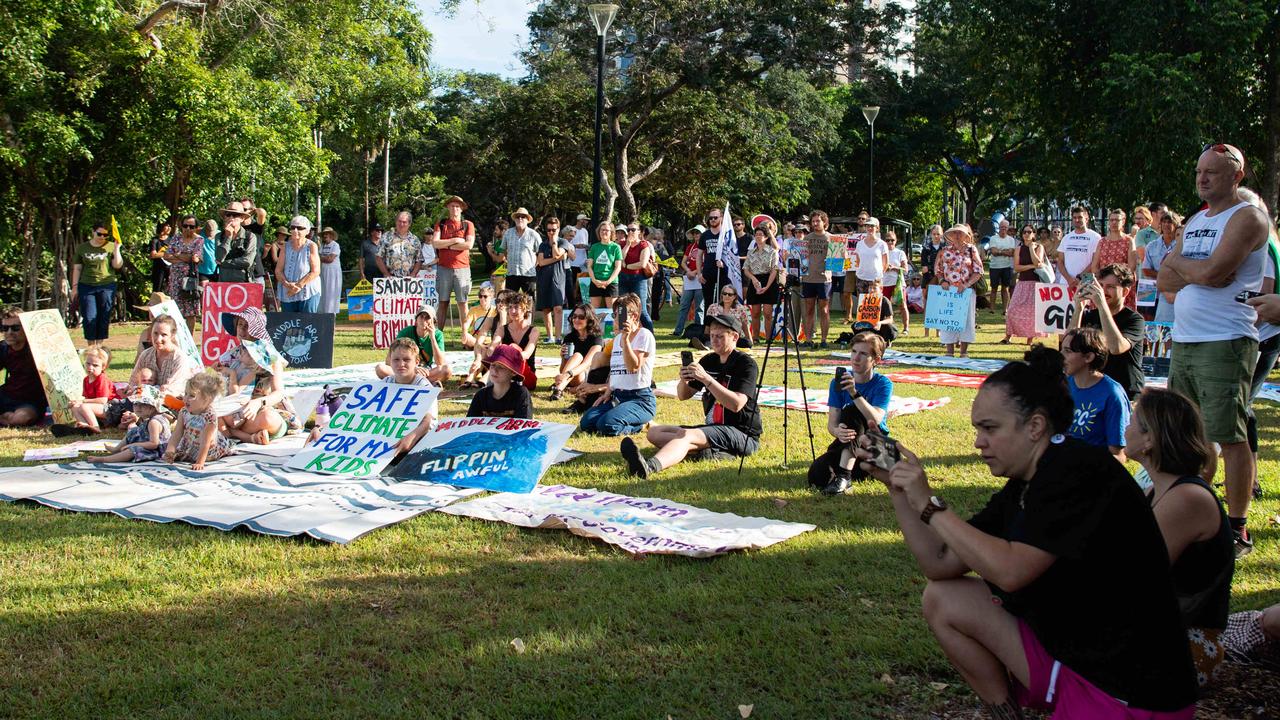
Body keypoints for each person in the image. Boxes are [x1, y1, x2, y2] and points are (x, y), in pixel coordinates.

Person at [860, 346, 1198, 719]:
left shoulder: (1077, 472)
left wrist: (932, 506)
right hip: (1082, 660)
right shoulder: (1027, 479)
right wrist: (899, 490)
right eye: (977, 429)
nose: (978, 442)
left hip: (1131, 691)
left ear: (1035, 426)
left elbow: (1010, 571)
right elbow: (939, 564)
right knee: (944, 597)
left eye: (990, 428)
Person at [1157, 143, 1269, 557]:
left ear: (1236, 177)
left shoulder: (1248, 218)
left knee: (1228, 435)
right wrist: (1195, 272)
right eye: (1199, 171)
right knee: (1189, 434)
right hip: (1185, 339)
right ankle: (1195, 514)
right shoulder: (1196, 219)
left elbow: (1209, 271)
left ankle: (1237, 528)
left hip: (1225, 340)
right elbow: (1166, 280)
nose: (1202, 179)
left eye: (1213, 172)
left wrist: (1187, 268)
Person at [1127, 388, 1235, 687]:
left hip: (1186, 644)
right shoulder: (1157, 489)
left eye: (1133, 421)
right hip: (1164, 630)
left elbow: (1133, 575)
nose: (1125, 427)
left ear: (1150, 439)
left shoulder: (1186, 498)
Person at [620, 313, 761, 477]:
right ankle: (708, 451)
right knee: (654, 433)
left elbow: (736, 404)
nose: (714, 341)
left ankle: (649, 467)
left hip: (742, 434)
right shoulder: (709, 360)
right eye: (712, 336)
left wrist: (707, 379)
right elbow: (683, 395)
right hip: (713, 428)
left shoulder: (746, 364)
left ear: (735, 337)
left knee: (686, 435)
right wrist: (684, 380)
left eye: (720, 337)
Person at [810, 331, 893, 495]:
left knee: (853, 410)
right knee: (816, 475)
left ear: (876, 360)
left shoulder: (883, 383)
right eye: (854, 352)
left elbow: (876, 418)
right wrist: (837, 431)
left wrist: (854, 393)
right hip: (848, 444)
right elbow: (832, 424)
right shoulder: (838, 383)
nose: (856, 358)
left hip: (875, 447)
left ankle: (844, 477)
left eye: (863, 354)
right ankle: (849, 472)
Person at [578, 293, 655, 436]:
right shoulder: (617, 338)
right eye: (615, 315)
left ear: (634, 316)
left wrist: (626, 340)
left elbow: (633, 367)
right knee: (586, 423)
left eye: (621, 315)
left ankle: (641, 425)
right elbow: (616, 370)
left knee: (606, 425)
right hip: (618, 395)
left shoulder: (644, 335)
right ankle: (623, 417)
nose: (616, 320)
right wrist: (608, 391)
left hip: (640, 398)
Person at [220, 308, 298, 445]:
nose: (242, 330)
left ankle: (230, 433)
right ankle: (246, 435)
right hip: (233, 410)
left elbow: (278, 393)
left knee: (267, 418)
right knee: (208, 412)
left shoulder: (270, 357)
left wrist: (258, 403)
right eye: (240, 325)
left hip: (259, 411)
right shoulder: (232, 355)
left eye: (247, 326)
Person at [1069, 263, 1145, 399]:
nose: (1103, 291)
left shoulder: (1134, 319)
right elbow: (1069, 345)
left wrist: (1102, 305)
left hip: (1125, 392)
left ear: (1125, 292)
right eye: (1101, 286)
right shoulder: (1089, 315)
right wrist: (1078, 309)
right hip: (1094, 389)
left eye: (1110, 287)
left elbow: (1115, 348)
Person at [1061, 327, 1129, 458]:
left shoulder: (1112, 394)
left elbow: (1117, 454)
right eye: (1062, 349)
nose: (1061, 355)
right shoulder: (1063, 384)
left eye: (1067, 351)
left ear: (1088, 357)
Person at [163, 372, 233, 471]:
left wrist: (200, 462)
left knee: (218, 444)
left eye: (192, 395)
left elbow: (206, 442)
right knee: (172, 450)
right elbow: (177, 433)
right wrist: (170, 450)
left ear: (207, 399)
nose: (186, 398)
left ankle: (229, 442)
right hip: (190, 444)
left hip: (208, 449)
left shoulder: (209, 416)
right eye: (186, 393)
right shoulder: (184, 412)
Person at [70, 222, 124, 346]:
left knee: (103, 315)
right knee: (89, 316)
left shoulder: (111, 246)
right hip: (87, 285)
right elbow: (77, 268)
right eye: (99, 234)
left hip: (107, 285)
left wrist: (117, 249)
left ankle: (99, 346)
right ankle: (91, 346)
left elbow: (117, 265)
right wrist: (74, 287)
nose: (102, 237)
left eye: (105, 235)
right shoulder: (82, 248)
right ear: (93, 232)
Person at [933, 223, 983, 357]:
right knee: (948, 320)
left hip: (966, 291)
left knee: (967, 320)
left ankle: (964, 351)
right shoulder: (944, 250)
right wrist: (942, 281)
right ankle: (949, 351)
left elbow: (978, 271)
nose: (957, 235)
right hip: (948, 291)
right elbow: (938, 270)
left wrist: (966, 284)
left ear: (965, 235)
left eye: (960, 233)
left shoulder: (971, 250)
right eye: (954, 233)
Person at [89, 386, 171, 464]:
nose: (138, 407)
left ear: (153, 406)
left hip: (158, 452)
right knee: (133, 431)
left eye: (143, 404)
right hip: (150, 446)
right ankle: (116, 449)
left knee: (133, 450)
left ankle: (105, 459)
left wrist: (132, 445)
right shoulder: (150, 417)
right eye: (135, 403)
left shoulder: (154, 422)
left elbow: (154, 444)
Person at [430, 195, 475, 329]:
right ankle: (438, 336)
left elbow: (469, 245)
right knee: (443, 302)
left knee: (463, 303)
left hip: (463, 268)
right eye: (452, 206)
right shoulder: (441, 223)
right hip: (444, 268)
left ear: (461, 209)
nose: (454, 208)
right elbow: (435, 243)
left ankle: (466, 336)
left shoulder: (467, 224)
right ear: (448, 208)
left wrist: (446, 245)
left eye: (457, 206)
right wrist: (455, 241)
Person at [376, 307, 450, 385]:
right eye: (421, 316)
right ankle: (425, 382)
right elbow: (389, 360)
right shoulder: (406, 332)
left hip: (426, 371)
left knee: (446, 370)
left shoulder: (438, 334)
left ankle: (413, 381)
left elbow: (440, 363)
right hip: (406, 369)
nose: (423, 320)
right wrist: (413, 368)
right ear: (416, 320)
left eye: (427, 317)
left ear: (433, 321)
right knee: (380, 368)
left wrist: (432, 337)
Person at [1001, 224, 1049, 345]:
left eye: (1029, 232)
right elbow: (1017, 267)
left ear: (1033, 234)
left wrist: (1032, 249)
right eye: (1024, 232)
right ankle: (1008, 336)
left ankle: (1030, 339)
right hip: (1022, 283)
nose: (1026, 234)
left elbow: (1038, 262)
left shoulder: (1039, 247)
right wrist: (1031, 266)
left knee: (1033, 311)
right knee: (1012, 309)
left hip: (1036, 283)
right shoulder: (1018, 249)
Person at [0, 307, 47, 427]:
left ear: (25, 328)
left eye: (15, 328)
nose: (9, 332)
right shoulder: (3, 348)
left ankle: (7, 417)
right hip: (6, 394)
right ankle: (6, 417)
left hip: (31, 401)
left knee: (20, 419)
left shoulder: (39, 348)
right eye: (5, 328)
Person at [549, 304, 604, 401]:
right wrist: (563, 357)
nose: (576, 320)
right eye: (574, 316)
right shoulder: (569, 337)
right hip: (570, 378)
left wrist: (567, 374)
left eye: (581, 317)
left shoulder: (596, 339)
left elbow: (587, 364)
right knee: (577, 356)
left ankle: (559, 389)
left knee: (578, 356)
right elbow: (562, 370)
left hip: (588, 376)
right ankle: (563, 389)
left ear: (589, 320)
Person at [485, 289, 539, 388]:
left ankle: (494, 383)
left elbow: (526, 354)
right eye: (510, 307)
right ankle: (490, 384)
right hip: (506, 371)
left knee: (511, 347)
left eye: (516, 307)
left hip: (526, 376)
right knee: (500, 349)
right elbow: (492, 348)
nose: (512, 311)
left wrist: (508, 352)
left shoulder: (534, 331)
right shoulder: (502, 329)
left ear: (525, 309)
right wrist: (493, 350)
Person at [63, 346, 120, 435]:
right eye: (88, 363)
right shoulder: (86, 380)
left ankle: (95, 428)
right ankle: (85, 427)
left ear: (103, 367)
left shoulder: (102, 379)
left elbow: (103, 400)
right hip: (100, 410)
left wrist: (82, 401)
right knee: (75, 407)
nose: (90, 367)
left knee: (83, 406)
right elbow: (87, 398)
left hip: (112, 409)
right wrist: (77, 403)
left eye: (95, 365)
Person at [1089, 209, 1138, 311]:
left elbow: (1132, 266)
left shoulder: (1129, 241)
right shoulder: (1102, 242)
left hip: (1121, 284)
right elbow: (1094, 266)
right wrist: (1101, 281)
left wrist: (1117, 281)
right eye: (1111, 220)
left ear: (1123, 221)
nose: (1114, 223)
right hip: (1103, 284)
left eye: (1117, 220)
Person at [467, 343, 533, 419]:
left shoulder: (520, 394)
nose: (495, 370)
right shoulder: (481, 396)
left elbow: (525, 424)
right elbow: (469, 424)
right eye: (493, 365)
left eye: (501, 367)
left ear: (513, 372)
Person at [800, 210, 834, 348]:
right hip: (808, 278)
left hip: (824, 279)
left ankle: (824, 340)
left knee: (824, 310)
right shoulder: (807, 238)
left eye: (818, 221)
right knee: (808, 309)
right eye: (813, 221)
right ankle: (808, 339)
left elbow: (840, 257)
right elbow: (801, 256)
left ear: (824, 222)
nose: (815, 224)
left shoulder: (831, 238)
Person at [1142, 210, 1182, 325]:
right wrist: (1165, 276)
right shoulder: (1152, 245)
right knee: (1148, 323)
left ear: (1176, 224)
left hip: (1173, 290)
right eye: (1164, 221)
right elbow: (1145, 270)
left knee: (1170, 323)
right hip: (1150, 288)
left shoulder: (1181, 245)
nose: (1166, 225)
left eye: (1169, 222)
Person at [535, 216, 572, 343]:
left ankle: (558, 337)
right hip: (543, 278)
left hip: (559, 279)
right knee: (546, 309)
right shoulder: (543, 244)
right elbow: (540, 262)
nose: (551, 232)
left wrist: (555, 242)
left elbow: (556, 253)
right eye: (549, 230)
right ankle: (549, 336)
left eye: (554, 230)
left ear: (558, 229)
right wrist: (557, 259)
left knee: (558, 308)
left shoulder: (563, 242)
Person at [165, 215, 204, 331]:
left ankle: (190, 340)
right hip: (175, 279)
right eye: (185, 226)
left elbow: (194, 259)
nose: (188, 229)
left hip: (189, 279)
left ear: (196, 228)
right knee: (175, 311)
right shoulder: (176, 238)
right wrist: (185, 256)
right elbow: (166, 256)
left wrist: (176, 255)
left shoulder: (199, 240)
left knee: (191, 312)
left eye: (191, 226)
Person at [277, 215, 322, 313]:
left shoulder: (312, 246)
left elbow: (315, 271)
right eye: (293, 227)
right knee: (288, 324)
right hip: (287, 291)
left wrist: (298, 286)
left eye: (300, 228)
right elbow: (278, 271)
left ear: (307, 231)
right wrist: (287, 284)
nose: (295, 230)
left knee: (308, 323)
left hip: (308, 291)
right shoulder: (285, 246)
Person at [744, 225, 780, 342]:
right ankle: (755, 337)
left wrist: (767, 286)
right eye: (756, 235)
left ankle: (769, 338)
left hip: (769, 280)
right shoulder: (751, 252)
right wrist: (753, 279)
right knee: (755, 312)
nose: (758, 237)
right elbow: (746, 269)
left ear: (766, 237)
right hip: (755, 281)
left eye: (761, 235)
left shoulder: (772, 252)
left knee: (768, 313)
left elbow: (774, 270)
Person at [618, 222, 654, 331]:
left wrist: (627, 265)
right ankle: (622, 335)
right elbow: (620, 259)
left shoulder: (644, 245)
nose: (630, 232)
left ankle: (650, 336)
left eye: (633, 230)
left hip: (638, 279)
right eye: (628, 230)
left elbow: (642, 264)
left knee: (641, 309)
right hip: (623, 278)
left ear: (639, 232)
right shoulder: (622, 244)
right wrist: (628, 245)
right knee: (622, 308)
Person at [214, 200, 259, 284]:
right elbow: (219, 257)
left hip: (243, 285)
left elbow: (247, 261)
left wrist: (224, 263)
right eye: (228, 215)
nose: (231, 218)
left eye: (235, 215)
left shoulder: (250, 236)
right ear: (225, 217)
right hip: (223, 284)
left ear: (242, 218)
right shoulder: (219, 236)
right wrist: (228, 237)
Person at [1057, 206, 1101, 288]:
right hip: (1066, 282)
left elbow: (1095, 262)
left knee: (1086, 300)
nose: (1077, 220)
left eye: (1080, 217)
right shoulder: (1066, 238)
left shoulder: (1096, 237)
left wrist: (1080, 278)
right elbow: (1060, 261)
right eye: (1074, 218)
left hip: (1087, 280)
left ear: (1086, 219)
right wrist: (1069, 278)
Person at [502, 208, 541, 297]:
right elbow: (504, 250)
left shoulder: (534, 234)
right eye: (518, 216)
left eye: (523, 217)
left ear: (527, 220)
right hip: (511, 273)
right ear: (514, 219)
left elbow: (540, 253)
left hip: (528, 274)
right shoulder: (508, 233)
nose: (520, 218)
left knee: (530, 302)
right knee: (510, 302)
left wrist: (534, 265)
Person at [699, 283, 751, 350]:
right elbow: (707, 326)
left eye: (730, 294)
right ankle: (709, 344)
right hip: (715, 335)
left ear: (734, 297)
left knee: (746, 343)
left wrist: (750, 341)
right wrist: (706, 336)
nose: (727, 296)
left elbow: (745, 327)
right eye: (724, 293)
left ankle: (712, 345)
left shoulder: (740, 309)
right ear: (721, 295)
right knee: (703, 337)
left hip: (732, 337)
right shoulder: (713, 307)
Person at [674, 228, 704, 337]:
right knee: (684, 305)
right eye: (694, 233)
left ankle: (698, 331)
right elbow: (683, 262)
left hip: (700, 279)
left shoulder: (705, 247)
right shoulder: (690, 247)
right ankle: (678, 331)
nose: (696, 235)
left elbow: (705, 263)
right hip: (689, 280)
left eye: (698, 233)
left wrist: (695, 272)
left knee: (699, 307)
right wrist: (688, 271)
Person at [586, 221, 622, 310]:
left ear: (611, 233)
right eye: (602, 230)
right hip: (596, 282)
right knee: (594, 312)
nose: (604, 232)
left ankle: (612, 325)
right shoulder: (594, 247)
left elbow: (618, 267)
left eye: (607, 230)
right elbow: (589, 266)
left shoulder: (616, 247)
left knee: (612, 312)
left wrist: (608, 282)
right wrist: (594, 280)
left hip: (611, 282)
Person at [698, 208, 727, 315]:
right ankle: (707, 328)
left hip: (723, 272)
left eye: (715, 217)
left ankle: (721, 327)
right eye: (711, 218)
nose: (713, 220)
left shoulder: (726, 235)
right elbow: (699, 255)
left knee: (723, 301)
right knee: (708, 302)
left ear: (721, 218)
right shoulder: (705, 235)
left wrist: (724, 264)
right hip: (707, 272)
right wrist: (699, 273)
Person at [376, 211, 421, 279]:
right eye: (399, 221)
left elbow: (419, 259)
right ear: (396, 222)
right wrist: (386, 274)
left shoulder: (415, 240)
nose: (401, 224)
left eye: (404, 222)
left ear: (409, 224)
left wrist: (412, 275)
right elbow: (378, 257)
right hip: (390, 279)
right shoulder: (386, 237)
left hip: (409, 281)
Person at [919, 224, 945, 339]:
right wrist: (931, 269)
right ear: (931, 235)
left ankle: (938, 331)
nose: (936, 236)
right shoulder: (926, 249)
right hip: (928, 280)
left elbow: (945, 265)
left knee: (940, 305)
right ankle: (926, 331)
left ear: (942, 234)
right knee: (927, 306)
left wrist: (934, 270)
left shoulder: (945, 248)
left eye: (938, 234)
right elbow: (924, 268)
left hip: (941, 280)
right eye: (934, 234)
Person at [882, 230, 910, 332]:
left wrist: (894, 267)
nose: (890, 242)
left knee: (902, 305)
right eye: (887, 240)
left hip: (898, 283)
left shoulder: (900, 253)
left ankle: (906, 328)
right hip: (884, 283)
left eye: (892, 240)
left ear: (896, 241)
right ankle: (887, 327)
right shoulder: (882, 252)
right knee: (884, 306)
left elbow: (905, 269)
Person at [987, 218, 1017, 313]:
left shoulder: (1011, 240)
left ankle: (1005, 309)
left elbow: (1011, 253)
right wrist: (1004, 251)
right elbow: (993, 252)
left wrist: (999, 251)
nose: (1003, 229)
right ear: (999, 228)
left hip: (1007, 266)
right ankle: (992, 309)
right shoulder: (993, 238)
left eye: (1005, 227)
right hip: (994, 267)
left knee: (1005, 288)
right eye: (1001, 227)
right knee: (994, 288)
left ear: (1008, 228)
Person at [316, 227, 342, 315]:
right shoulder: (323, 246)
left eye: (327, 234)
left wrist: (321, 258)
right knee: (323, 291)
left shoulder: (335, 245)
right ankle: (324, 313)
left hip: (333, 272)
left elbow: (330, 259)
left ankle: (331, 313)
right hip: (323, 271)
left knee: (332, 291)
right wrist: (323, 258)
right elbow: (318, 257)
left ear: (331, 235)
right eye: (324, 234)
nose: (325, 236)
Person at [569, 213, 591, 305]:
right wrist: (577, 246)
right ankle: (572, 304)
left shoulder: (585, 231)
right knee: (573, 285)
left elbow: (585, 244)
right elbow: (567, 244)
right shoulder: (571, 230)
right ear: (579, 220)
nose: (586, 221)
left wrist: (586, 248)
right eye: (584, 220)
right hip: (572, 262)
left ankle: (586, 304)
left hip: (583, 262)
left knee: (585, 284)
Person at [262, 226, 285, 312]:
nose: (284, 237)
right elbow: (275, 260)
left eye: (285, 235)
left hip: (287, 272)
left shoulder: (287, 244)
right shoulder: (274, 245)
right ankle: (276, 311)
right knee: (277, 293)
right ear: (279, 235)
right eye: (283, 235)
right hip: (276, 272)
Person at [149, 218, 173, 293]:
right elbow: (153, 255)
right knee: (157, 289)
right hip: (158, 268)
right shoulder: (155, 240)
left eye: (170, 226)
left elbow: (175, 253)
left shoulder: (172, 240)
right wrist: (167, 254)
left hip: (170, 267)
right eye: (167, 226)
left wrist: (160, 254)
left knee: (170, 289)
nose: (169, 228)